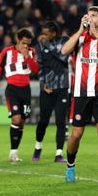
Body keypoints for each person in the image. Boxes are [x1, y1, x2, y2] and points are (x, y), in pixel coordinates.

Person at [62, 6, 98, 186]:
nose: (89, 17)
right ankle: (70, 165)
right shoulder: (80, 38)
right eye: (88, 14)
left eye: (94, 15)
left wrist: (95, 32)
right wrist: (81, 30)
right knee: (76, 134)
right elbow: (64, 50)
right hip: (81, 93)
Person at [0, 28, 39, 162]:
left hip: (26, 90)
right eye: (23, 43)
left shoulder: (31, 52)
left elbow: (35, 71)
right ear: (17, 40)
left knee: (22, 122)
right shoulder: (7, 52)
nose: (25, 46)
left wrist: (27, 57)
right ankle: (13, 152)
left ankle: (15, 151)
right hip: (12, 90)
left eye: (28, 43)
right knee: (16, 119)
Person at [31, 21, 69, 163]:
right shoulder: (39, 45)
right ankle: (38, 146)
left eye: (46, 33)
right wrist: (42, 84)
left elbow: (63, 56)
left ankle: (59, 154)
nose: (44, 36)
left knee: (61, 121)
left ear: (54, 33)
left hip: (62, 87)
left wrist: (47, 45)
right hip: (47, 89)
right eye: (43, 33)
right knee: (43, 121)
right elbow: (39, 66)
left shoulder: (65, 41)